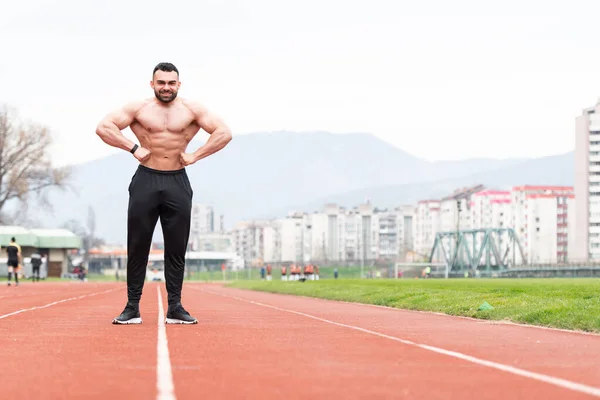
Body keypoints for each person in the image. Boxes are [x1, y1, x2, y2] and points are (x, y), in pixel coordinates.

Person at [95, 62, 232, 325]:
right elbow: (103, 127)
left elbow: (224, 133)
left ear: (178, 85)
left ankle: (175, 307)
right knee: (138, 245)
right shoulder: (139, 108)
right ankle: (132, 307)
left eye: (171, 83)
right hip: (145, 179)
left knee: (176, 247)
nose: (166, 88)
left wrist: (195, 155)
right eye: (161, 83)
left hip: (177, 182)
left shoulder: (193, 110)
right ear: (152, 84)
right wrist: (133, 148)